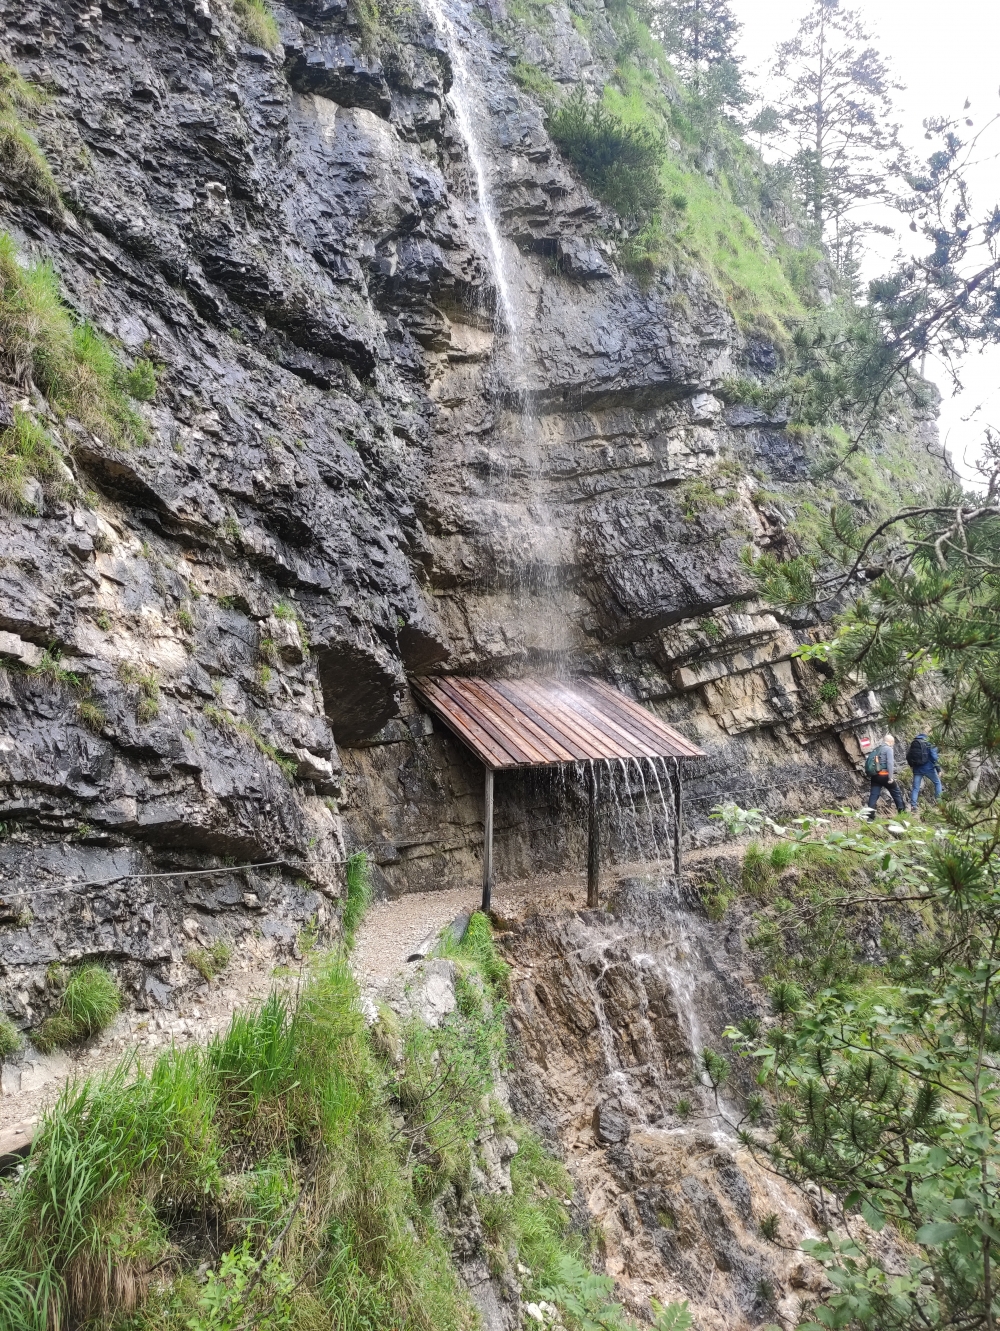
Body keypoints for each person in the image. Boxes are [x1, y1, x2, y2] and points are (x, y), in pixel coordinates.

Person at [864, 732, 906, 817]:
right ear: (890, 741)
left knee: (873, 796)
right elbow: (890, 763)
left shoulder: (877, 749)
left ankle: (870, 818)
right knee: (896, 793)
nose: (893, 744)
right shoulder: (888, 749)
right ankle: (902, 814)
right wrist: (890, 777)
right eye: (893, 742)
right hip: (885, 775)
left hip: (875, 776)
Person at [907, 729, 942, 812]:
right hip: (929, 768)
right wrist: (938, 769)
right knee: (937, 783)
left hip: (917, 769)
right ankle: (939, 803)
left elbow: (908, 756)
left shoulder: (914, 742)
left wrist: (912, 766)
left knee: (915, 788)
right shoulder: (929, 742)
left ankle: (913, 806)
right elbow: (934, 757)